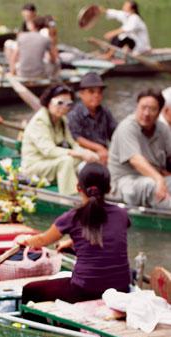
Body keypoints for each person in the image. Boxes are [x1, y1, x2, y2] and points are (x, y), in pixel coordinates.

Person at [17, 163, 131, 304]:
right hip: (122, 288)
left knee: (30, 290)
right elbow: (107, 235)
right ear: (109, 188)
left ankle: (35, 326)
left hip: (85, 290)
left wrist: (24, 240)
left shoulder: (72, 217)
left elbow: (42, 240)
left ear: (78, 187)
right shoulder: (122, 214)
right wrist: (70, 243)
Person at [21, 84, 98, 195]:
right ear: (49, 102)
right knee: (66, 161)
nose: (63, 107)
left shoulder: (62, 120)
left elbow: (72, 143)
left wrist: (86, 153)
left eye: (68, 104)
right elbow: (49, 150)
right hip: (34, 166)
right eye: (60, 103)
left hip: (50, 162)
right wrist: (77, 153)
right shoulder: (39, 122)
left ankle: (92, 190)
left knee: (84, 159)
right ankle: (70, 196)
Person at [108, 89, 171, 209]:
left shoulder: (163, 129)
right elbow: (136, 160)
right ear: (137, 107)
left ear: (159, 112)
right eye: (143, 107)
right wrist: (158, 179)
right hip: (125, 182)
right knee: (151, 185)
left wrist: (161, 178)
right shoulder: (127, 127)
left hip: (154, 177)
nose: (146, 113)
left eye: (152, 109)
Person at [67, 72, 117, 166]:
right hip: (83, 155)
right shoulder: (75, 113)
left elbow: (114, 133)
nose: (96, 95)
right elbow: (76, 138)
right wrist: (99, 148)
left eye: (99, 92)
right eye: (91, 92)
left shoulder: (105, 112)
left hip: (104, 153)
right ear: (81, 94)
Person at [9, 16, 57, 80]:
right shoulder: (46, 39)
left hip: (22, 73)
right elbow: (53, 59)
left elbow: (13, 57)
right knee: (57, 63)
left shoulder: (21, 37)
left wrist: (12, 73)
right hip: (39, 74)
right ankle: (53, 80)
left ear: (33, 25)